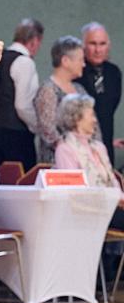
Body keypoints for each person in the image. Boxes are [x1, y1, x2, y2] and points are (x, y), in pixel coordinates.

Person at [54, 94, 124, 229]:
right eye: (91, 115)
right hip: (90, 210)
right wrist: (113, 200)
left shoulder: (99, 147)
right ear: (77, 119)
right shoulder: (65, 149)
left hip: (112, 205)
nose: (95, 120)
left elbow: (113, 182)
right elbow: (75, 190)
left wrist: (120, 198)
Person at [0, 18, 42, 170]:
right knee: (24, 186)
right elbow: (22, 106)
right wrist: (38, 127)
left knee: (5, 185)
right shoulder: (25, 63)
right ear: (34, 41)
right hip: (19, 137)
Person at [35, 36, 95, 163]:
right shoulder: (48, 89)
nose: (84, 64)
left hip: (85, 160)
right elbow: (48, 130)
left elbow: (93, 124)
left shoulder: (79, 89)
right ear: (65, 61)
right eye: (80, 60)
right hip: (57, 161)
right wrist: (72, 150)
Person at [74, 22, 121, 161]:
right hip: (80, 148)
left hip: (106, 144)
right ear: (83, 46)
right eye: (93, 43)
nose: (98, 50)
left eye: (102, 44)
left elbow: (111, 106)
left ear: (109, 46)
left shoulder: (114, 72)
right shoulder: (76, 72)